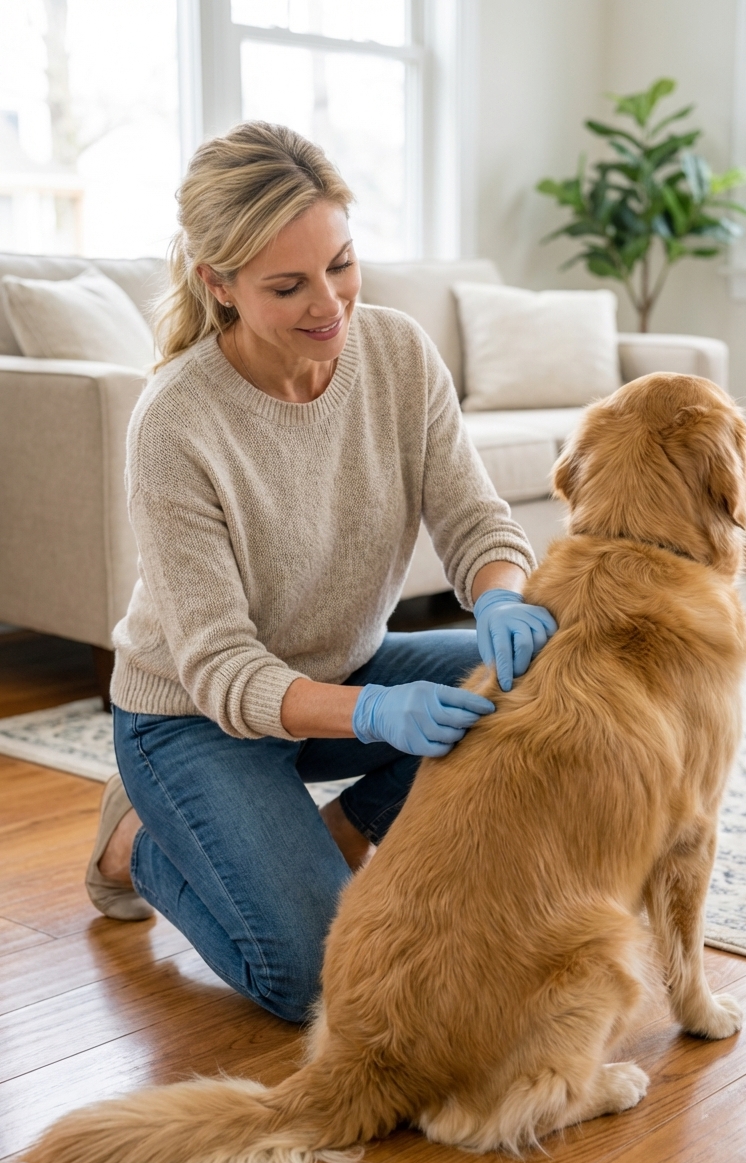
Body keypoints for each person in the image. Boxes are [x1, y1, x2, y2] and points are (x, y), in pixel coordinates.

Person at [85, 121, 557, 1024]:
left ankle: (339, 830)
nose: (329, 303)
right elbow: (221, 669)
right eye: (287, 285)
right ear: (215, 284)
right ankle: (138, 841)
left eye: (341, 263)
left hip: (339, 671)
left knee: (542, 689)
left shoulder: (397, 353)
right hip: (192, 716)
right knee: (314, 977)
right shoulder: (176, 422)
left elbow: (471, 517)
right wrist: (377, 714)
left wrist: (501, 593)